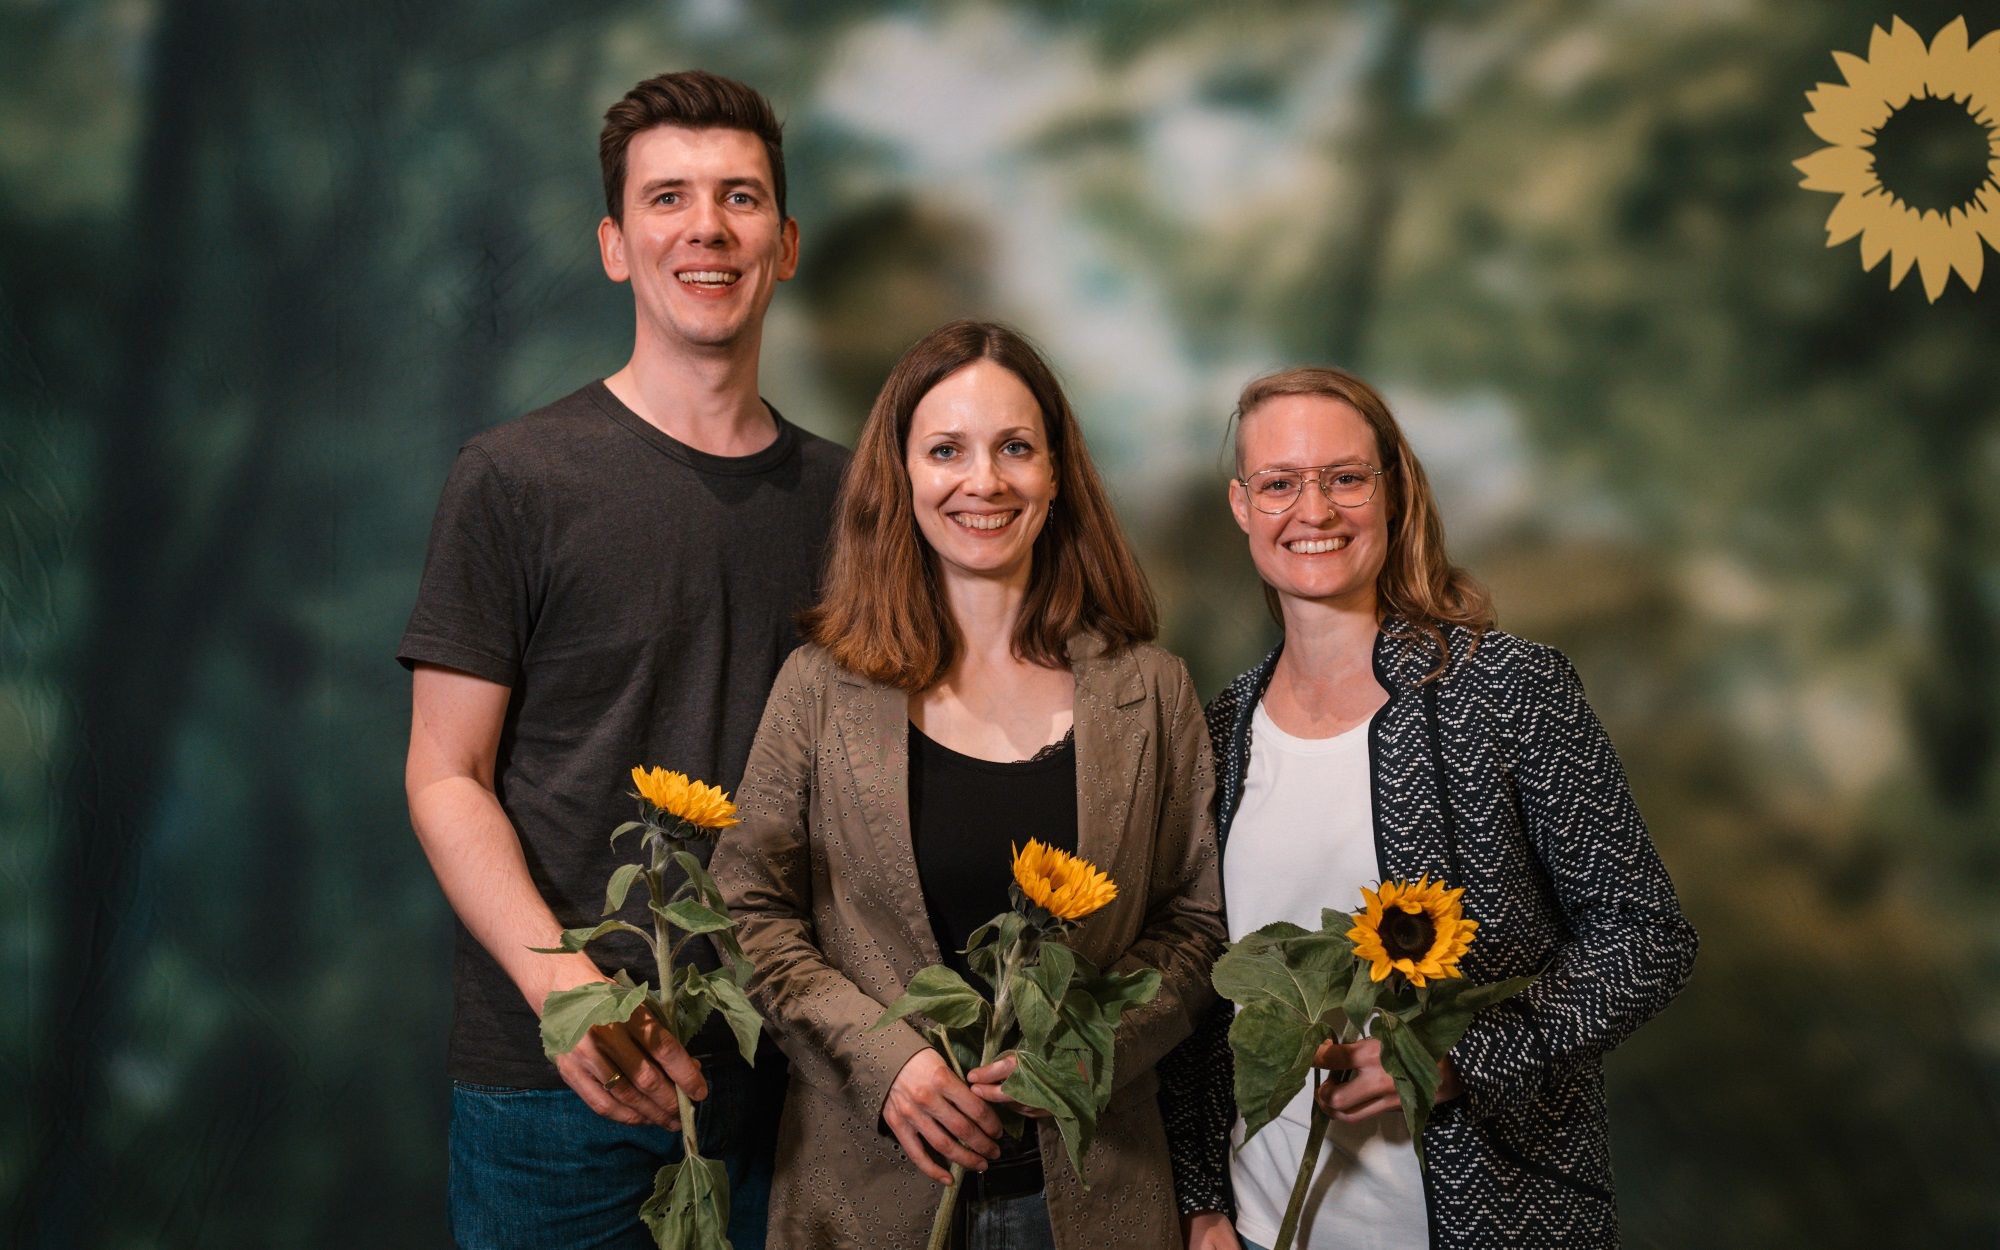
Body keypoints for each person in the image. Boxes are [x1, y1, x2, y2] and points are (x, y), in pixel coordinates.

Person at [398, 70, 847, 1249]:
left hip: (795, 1087)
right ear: (614, 244)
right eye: (668, 198)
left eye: (740, 197)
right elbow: (445, 771)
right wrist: (565, 993)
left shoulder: (859, 502)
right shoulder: (514, 478)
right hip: (556, 1090)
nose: (706, 225)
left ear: (783, 242)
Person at [711, 320, 1226, 1249]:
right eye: (946, 450)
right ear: (900, 477)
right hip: (863, 1195)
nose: (982, 481)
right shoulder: (819, 688)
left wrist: (1085, 1053)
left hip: (1098, 1188)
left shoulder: (1153, 691)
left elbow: (1196, 925)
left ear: (1057, 472)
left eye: (1015, 448)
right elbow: (746, 910)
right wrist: (886, 1064)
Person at [1160, 367, 1698, 1250]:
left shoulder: (1509, 690)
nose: (1315, 510)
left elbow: (1647, 938)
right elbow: (1201, 992)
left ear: (1392, 492)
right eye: (1280, 483)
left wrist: (1457, 1063)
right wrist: (1204, 1204)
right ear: (1242, 506)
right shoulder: (1218, 732)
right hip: (1266, 1229)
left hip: (1479, 1223)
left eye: (1345, 477)